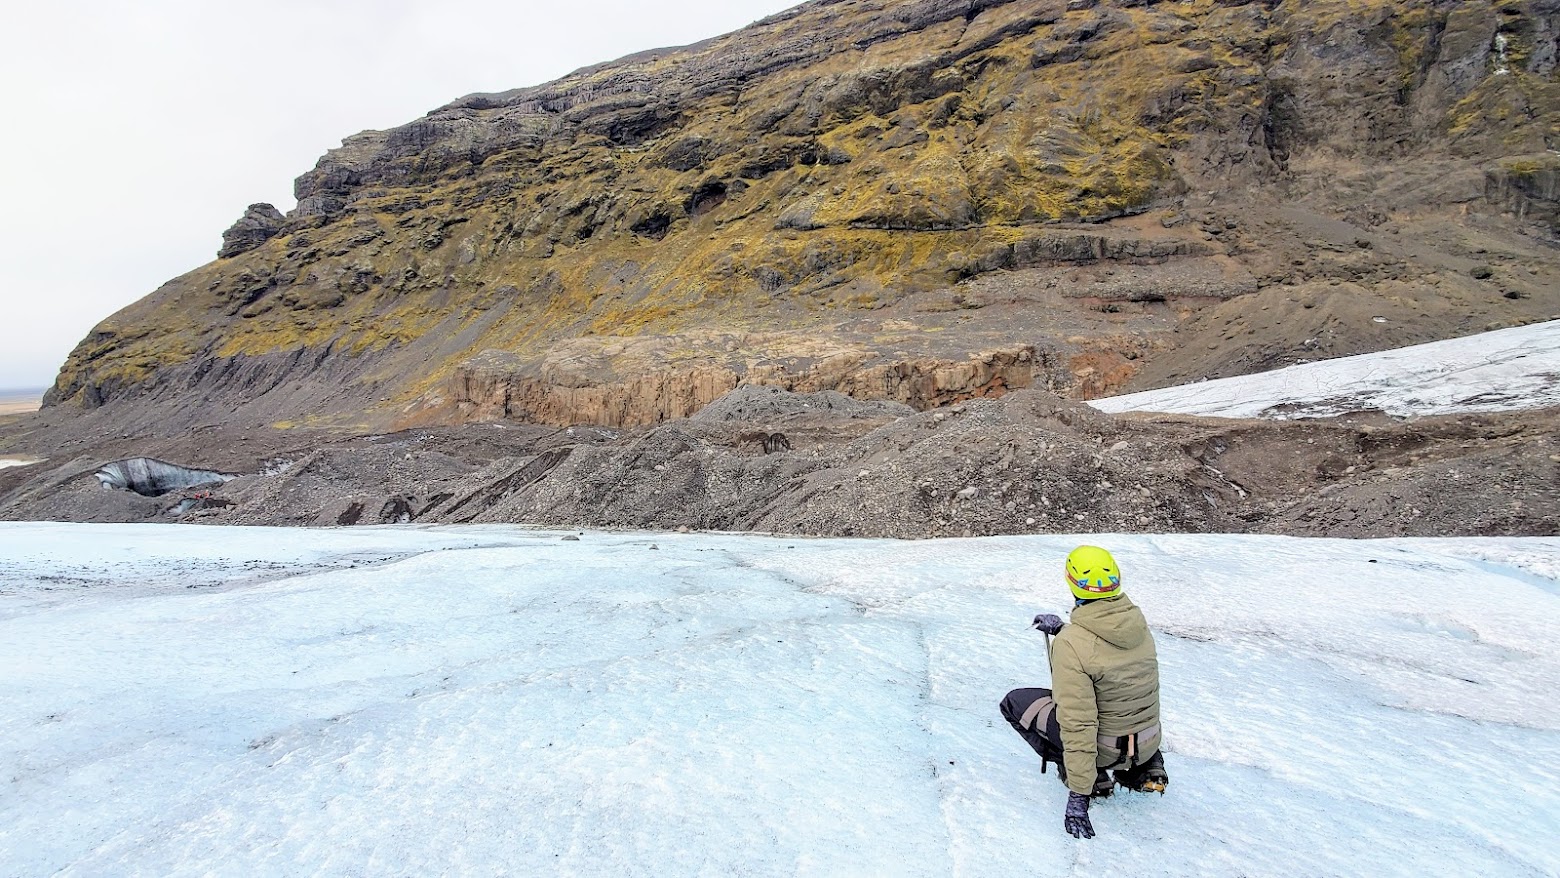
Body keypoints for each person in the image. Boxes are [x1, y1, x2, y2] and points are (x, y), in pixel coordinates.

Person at [1000, 545, 1167, 839]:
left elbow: (1078, 723)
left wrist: (1079, 796)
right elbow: (1104, 657)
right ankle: (1141, 769)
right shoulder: (1137, 625)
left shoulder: (1071, 645)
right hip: (1147, 741)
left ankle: (1094, 778)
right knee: (1123, 699)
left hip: (1104, 749)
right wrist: (1063, 629)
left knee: (1015, 703)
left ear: (1071, 581)